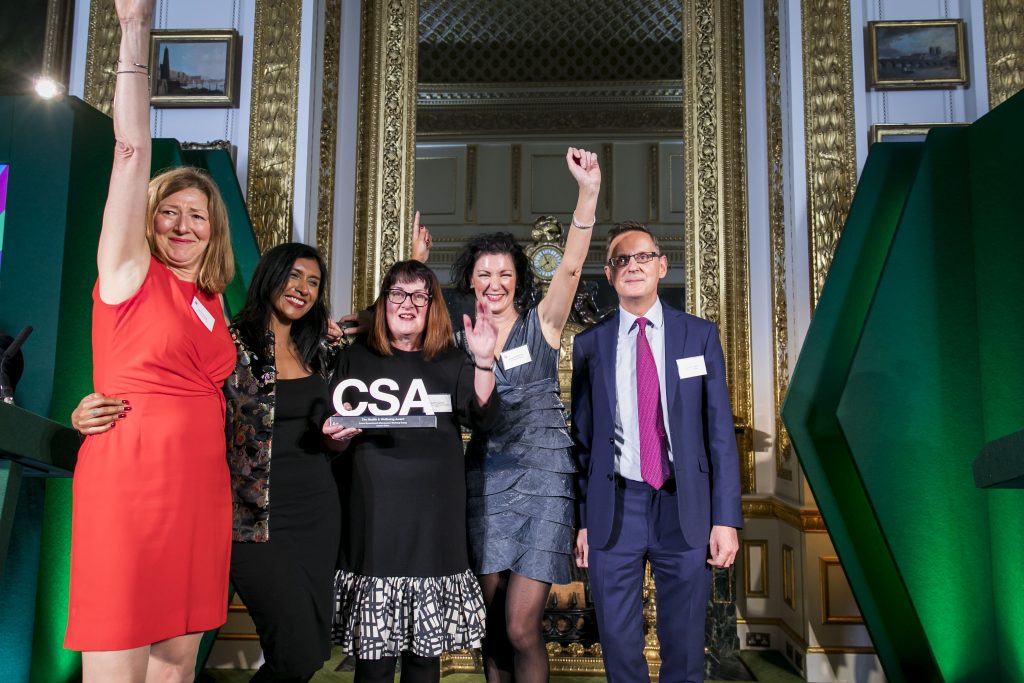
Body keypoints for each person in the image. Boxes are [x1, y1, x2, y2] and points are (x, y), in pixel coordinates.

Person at [73, 243, 343, 683]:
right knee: (293, 651)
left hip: (317, 512)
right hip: (249, 517)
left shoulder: (321, 350)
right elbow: (164, 381)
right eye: (294, 276)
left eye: (313, 282)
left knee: (311, 652)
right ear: (270, 277)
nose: (303, 289)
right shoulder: (227, 342)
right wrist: (84, 412)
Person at [64, 0, 238, 679]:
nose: (182, 222)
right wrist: (135, 30)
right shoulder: (129, 273)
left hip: (200, 490)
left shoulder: (212, 303)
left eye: (197, 213)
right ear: (149, 219)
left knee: (175, 667)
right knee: (119, 658)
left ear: (212, 228)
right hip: (130, 481)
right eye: (169, 210)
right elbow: (131, 148)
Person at [426, 147, 601, 683]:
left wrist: (588, 193)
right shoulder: (459, 338)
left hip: (545, 479)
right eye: (484, 273)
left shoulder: (544, 325)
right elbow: (407, 328)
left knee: (523, 628)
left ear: (517, 279)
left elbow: (570, 267)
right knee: (493, 629)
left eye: (504, 273)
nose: (495, 282)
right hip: (484, 479)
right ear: (471, 281)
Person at [569, 221, 742, 683]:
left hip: (683, 506)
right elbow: (582, 442)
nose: (633, 266)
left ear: (662, 266)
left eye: (642, 256)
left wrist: (725, 518)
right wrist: (582, 519)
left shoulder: (699, 336)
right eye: (621, 260)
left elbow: (719, 432)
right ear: (609, 275)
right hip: (615, 508)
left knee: (685, 646)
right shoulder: (589, 345)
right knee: (620, 647)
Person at [322, 260, 499, 683]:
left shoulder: (452, 359)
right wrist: (336, 438)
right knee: (375, 657)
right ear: (384, 303)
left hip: (433, 525)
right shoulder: (355, 359)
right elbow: (330, 438)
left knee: (424, 659)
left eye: (419, 296)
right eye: (398, 294)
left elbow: (486, 420)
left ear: (431, 305)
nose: (408, 304)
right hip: (374, 521)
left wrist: (486, 360)